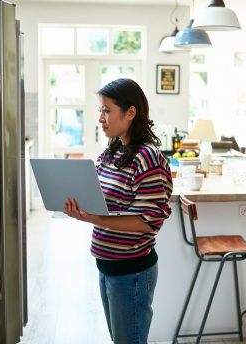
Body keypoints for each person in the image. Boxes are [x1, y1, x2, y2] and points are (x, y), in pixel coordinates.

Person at [64, 78, 173, 344]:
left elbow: (147, 222)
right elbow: (103, 200)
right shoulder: (111, 153)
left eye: (107, 110)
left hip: (132, 271)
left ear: (131, 112)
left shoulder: (148, 158)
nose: (101, 118)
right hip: (108, 265)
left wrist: (95, 218)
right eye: (100, 110)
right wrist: (79, 204)